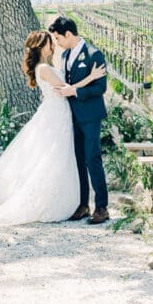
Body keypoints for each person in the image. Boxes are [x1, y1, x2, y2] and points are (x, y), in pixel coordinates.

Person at [0, 30, 105, 225]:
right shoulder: (43, 68)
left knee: (60, 156)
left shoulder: (48, 65)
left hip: (60, 113)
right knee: (53, 156)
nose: (54, 45)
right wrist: (91, 77)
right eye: (51, 42)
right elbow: (65, 89)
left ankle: (76, 200)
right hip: (56, 113)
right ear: (42, 46)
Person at [48, 15, 110, 225]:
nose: (57, 43)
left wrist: (75, 92)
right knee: (77, 161)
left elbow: (100, 88)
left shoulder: (94, 54)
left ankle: (101, 207)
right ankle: (83, 204)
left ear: (68, 34)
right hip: (71, 117)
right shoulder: (65, 55)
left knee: (92, 159)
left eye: (58, 38)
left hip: (90, 116)